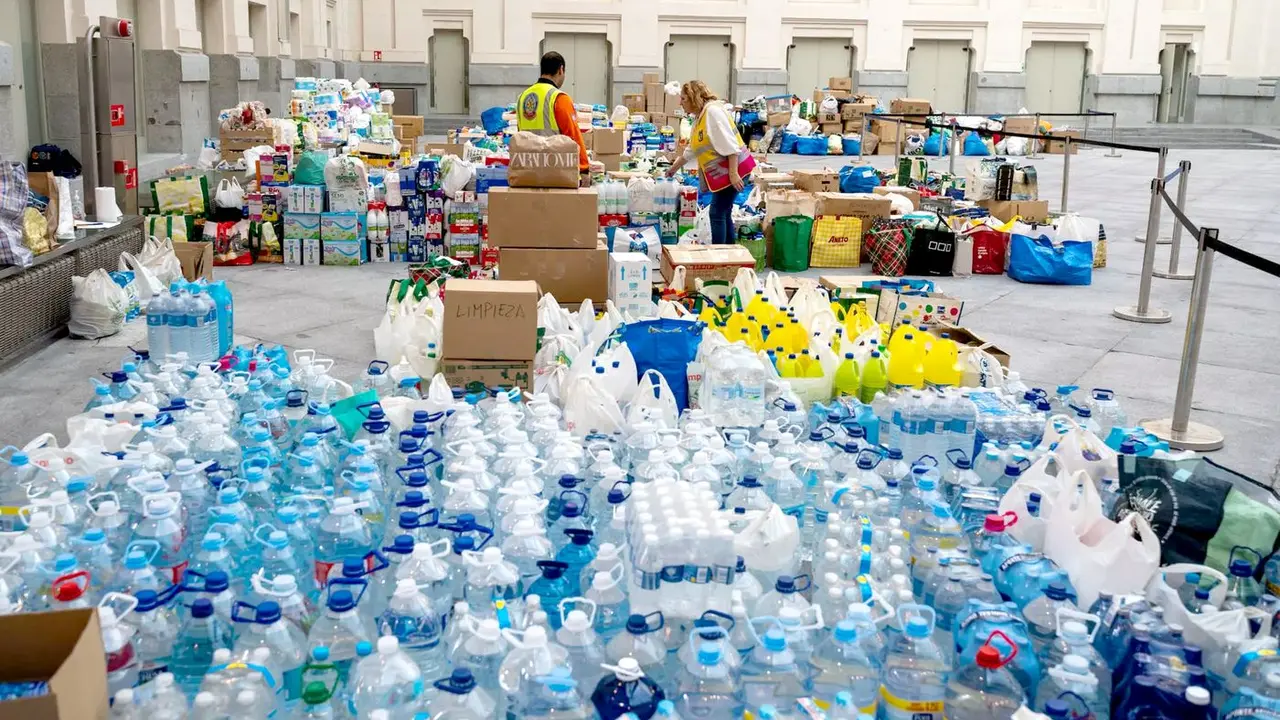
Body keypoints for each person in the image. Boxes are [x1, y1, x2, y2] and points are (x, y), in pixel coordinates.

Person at [665, 81, 750, 245]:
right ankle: (731, 255)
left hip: (735, 170)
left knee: (717, 213)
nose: (680, 103)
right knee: (723, 212)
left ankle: (720, 256)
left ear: (692, 98)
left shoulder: (712, 112)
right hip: (726, 174)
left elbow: (730, 145)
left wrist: (733, 174)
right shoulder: (700, 117)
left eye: (683, 99)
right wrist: (673, 169)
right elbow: (692, 149)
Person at [516, 51, 591, 181]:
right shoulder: (559, 98)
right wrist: (584, 168)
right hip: (554, 169)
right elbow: (573, 136)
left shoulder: (523, 97)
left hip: (527, 169)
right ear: (561, 69)